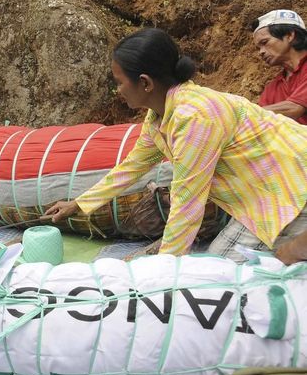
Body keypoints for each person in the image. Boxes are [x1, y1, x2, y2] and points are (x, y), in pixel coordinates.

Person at [45, 28, 307, 263]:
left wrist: (165, 267)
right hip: (264, 193)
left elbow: (188, 201)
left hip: (293, 183)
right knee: (220, 271)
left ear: (145, 82)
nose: (118, 91)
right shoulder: (159, 115)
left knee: (222, 277)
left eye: (119, 82)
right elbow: (133, 166)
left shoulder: (195, 116)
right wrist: (78, 203)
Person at [252, 9, 307, 124]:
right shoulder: (272, 89)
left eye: (265, 42)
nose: (261, 52)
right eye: (258, 48)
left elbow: (295, 108)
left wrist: (246, 112)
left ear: (289, 35)